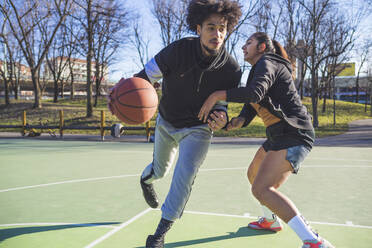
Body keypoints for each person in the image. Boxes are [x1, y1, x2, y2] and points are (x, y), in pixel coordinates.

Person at [110, 1, 242, 247]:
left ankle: (160, 233)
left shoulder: (232, 69)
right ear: (198, 27)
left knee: (186, 174)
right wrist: (120, 93)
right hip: (167, 120)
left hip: (199, 128)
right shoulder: (177, 50)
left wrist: (221, 120)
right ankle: (145, 180)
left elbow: (222, 108)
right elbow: (143, 78)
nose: (217, 34)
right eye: (211, 27)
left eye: (222, 28)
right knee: (160, 171)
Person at [198, 32, 335, 248]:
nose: (244, 47)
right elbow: (250, 107)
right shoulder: (257, 71)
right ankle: (271, 221)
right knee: (253, 174)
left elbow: (254, 93)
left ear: (262, 47)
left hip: (294, 132)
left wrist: (217, 94)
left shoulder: (268, 62)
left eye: (249, 43)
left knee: (261, 189)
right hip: (277, 134)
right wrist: (234, 122)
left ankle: (314, 241)